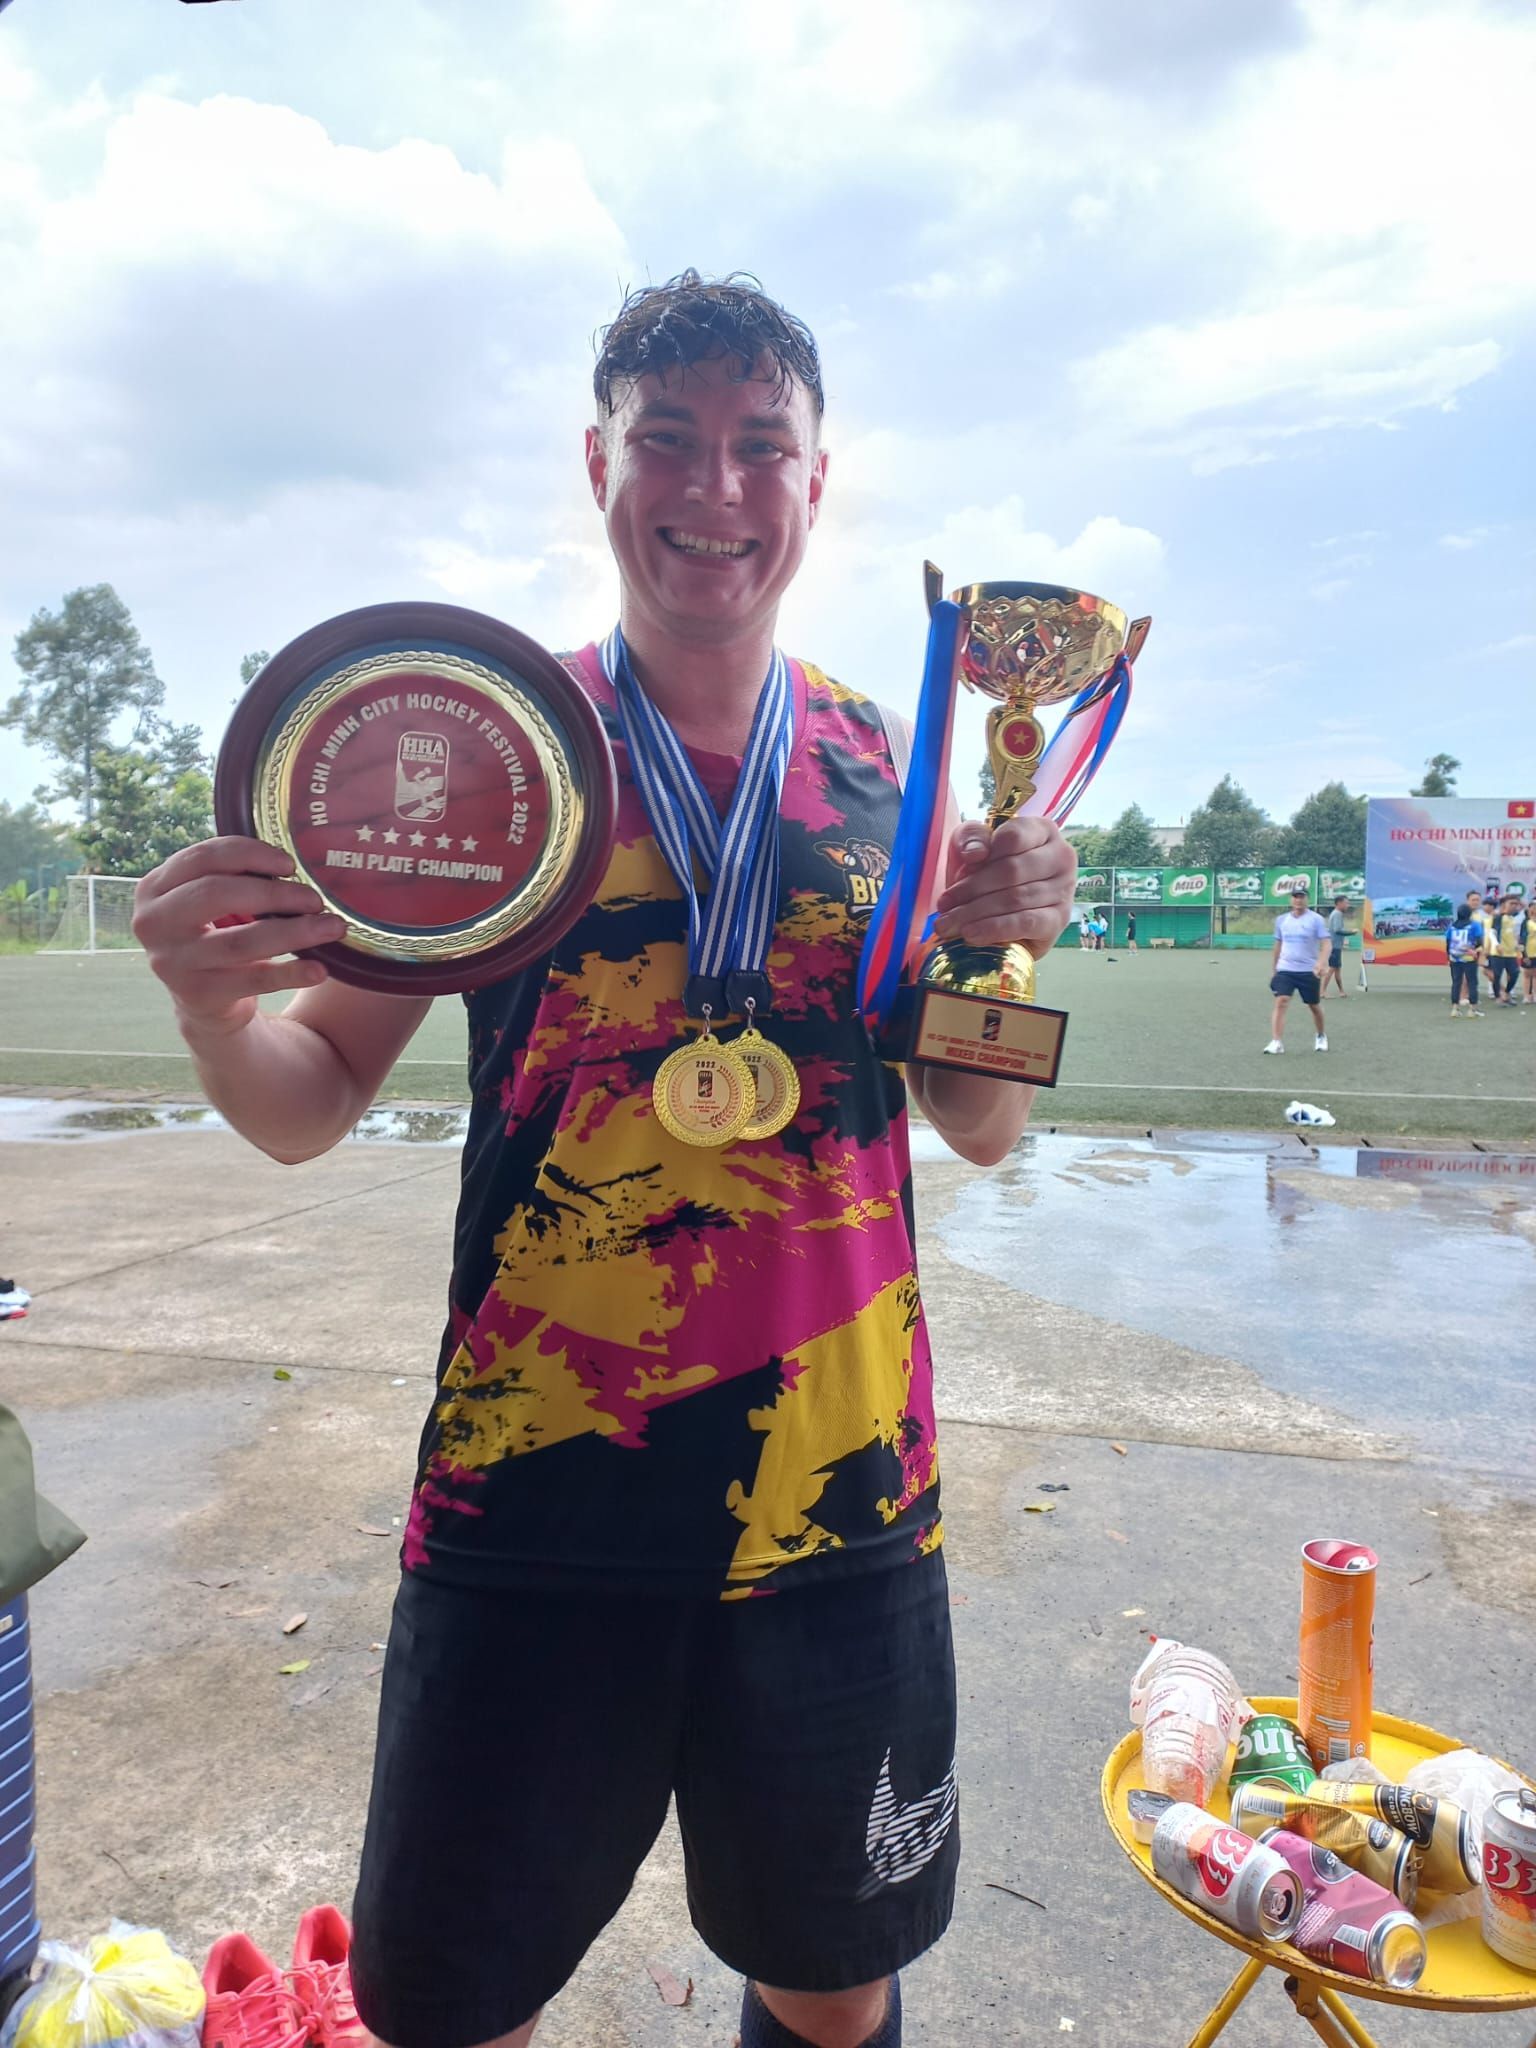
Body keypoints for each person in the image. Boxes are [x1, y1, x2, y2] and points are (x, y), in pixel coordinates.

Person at [132, 272, 1077, 2048]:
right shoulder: (501, 750)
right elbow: (307, 1090)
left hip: (839, 1486)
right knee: (452, 1993)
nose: (713, 487)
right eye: (669, 439)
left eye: (757, 446)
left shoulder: (899, 767)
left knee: (829, 1979)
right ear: (598, 462)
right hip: (537, 1482)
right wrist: (208, 1008)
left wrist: (1008, 942)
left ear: (816, 478)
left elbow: (979, 1120)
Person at [1263, 885, 1330, 1053]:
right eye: (1295, 896)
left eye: (1301, 896)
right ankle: (1276, 1042)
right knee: (1281, 1001)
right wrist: (1274, 969)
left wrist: (1321, 962)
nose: (1298, 900)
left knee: (1313, 1005)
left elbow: (1326, 943)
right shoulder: (1282, 920)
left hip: (1308, 970)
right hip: (1286, 968)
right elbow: (1278, 944)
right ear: (1291, 899)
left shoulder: (1316, 920)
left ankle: (1321, 1035)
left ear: (1307, 899)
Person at [1445, 900, 1484, 1016]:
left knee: (1456, 983)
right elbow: (1479, 942)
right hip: (1469, 958)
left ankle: (1454, 1009)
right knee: (1472, 983)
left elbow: (1448, 943)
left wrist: (1448, 957)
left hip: (1454, 958)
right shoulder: (1474, 925)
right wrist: (1475, 951)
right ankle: (1472, 1010)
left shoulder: (1452, 927)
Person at [1485, 893, 1523, 1005]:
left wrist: (1516, 945)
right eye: (1511, 903)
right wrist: (1497, 944)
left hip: (1511, 953)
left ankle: (1506, 993)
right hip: (1498, 952)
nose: (1514, 906)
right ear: (1503, 905)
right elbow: (1492, 932)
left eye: (1516, 904)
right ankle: (1498, 997)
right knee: (1497, 975)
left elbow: (1511, 934)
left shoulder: (1512, 919)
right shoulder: (1498, 917)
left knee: (1515, 973)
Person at [1322, 894, 1350, 998]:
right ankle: (1322, 991)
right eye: (1346, 903)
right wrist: (1350, 933)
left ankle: (1341, 991)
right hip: (1334, 946)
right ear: (1339, 903)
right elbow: (1337, 930)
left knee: (1337, 969)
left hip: (1336, 946)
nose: (1348, 905)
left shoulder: (1336, 913)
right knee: (1332, 969)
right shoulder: (1337, 914)